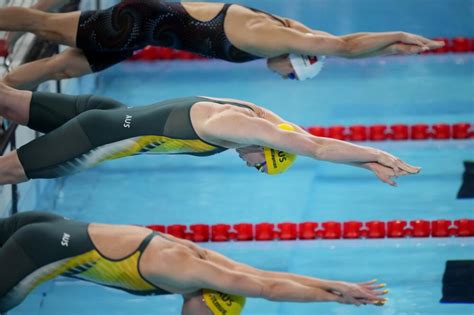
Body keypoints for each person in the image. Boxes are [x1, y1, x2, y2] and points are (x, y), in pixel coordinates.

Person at [0, 83, 420, 185]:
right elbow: (315, 147)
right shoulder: (239, 128)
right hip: (93, 137)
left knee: (7, 98)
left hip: (104, 114)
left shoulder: (254, 114)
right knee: (8, 172)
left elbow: (296, 133)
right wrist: (375, 153)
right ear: (267, 150)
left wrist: (366, 163)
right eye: (261, 167)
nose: (250, 165)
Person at [0, 211, 388, 314]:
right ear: (210, 301)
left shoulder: (202, 261)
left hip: (46, 227)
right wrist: (334, 298)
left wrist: (337, 287)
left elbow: (266, 274)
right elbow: (268, 289)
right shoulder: (189, 271)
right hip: (42, 247)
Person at [0, 0, 444, 89]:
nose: (287, 80)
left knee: (63, 68)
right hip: (137, 21)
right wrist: (399, 36)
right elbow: (346, 45)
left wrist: (394, 51)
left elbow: (346, 47)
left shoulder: (282, 34)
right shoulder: (273, 36)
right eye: (295, 76)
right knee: (45, 25)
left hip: (141, 32)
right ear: (298, 60)